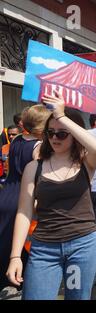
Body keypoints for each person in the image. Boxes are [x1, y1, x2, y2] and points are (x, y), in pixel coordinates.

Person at [6, 92, 96, 300]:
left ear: (74, 135)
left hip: (82, 247)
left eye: (62, 134)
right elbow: (24, 211)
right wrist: (15, 256)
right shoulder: (34, 167)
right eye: (50, 133)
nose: (54, 138)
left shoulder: (86, 162)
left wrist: (61, 116)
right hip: (44, 250)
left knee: (76, 297)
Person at [0, 105, 51, 291]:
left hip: (6, 193)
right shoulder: (38, 147)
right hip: (24, 197)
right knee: (24, 242)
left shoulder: (16, 140)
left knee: (5, 241)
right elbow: (39, 178)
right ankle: (20, 281)